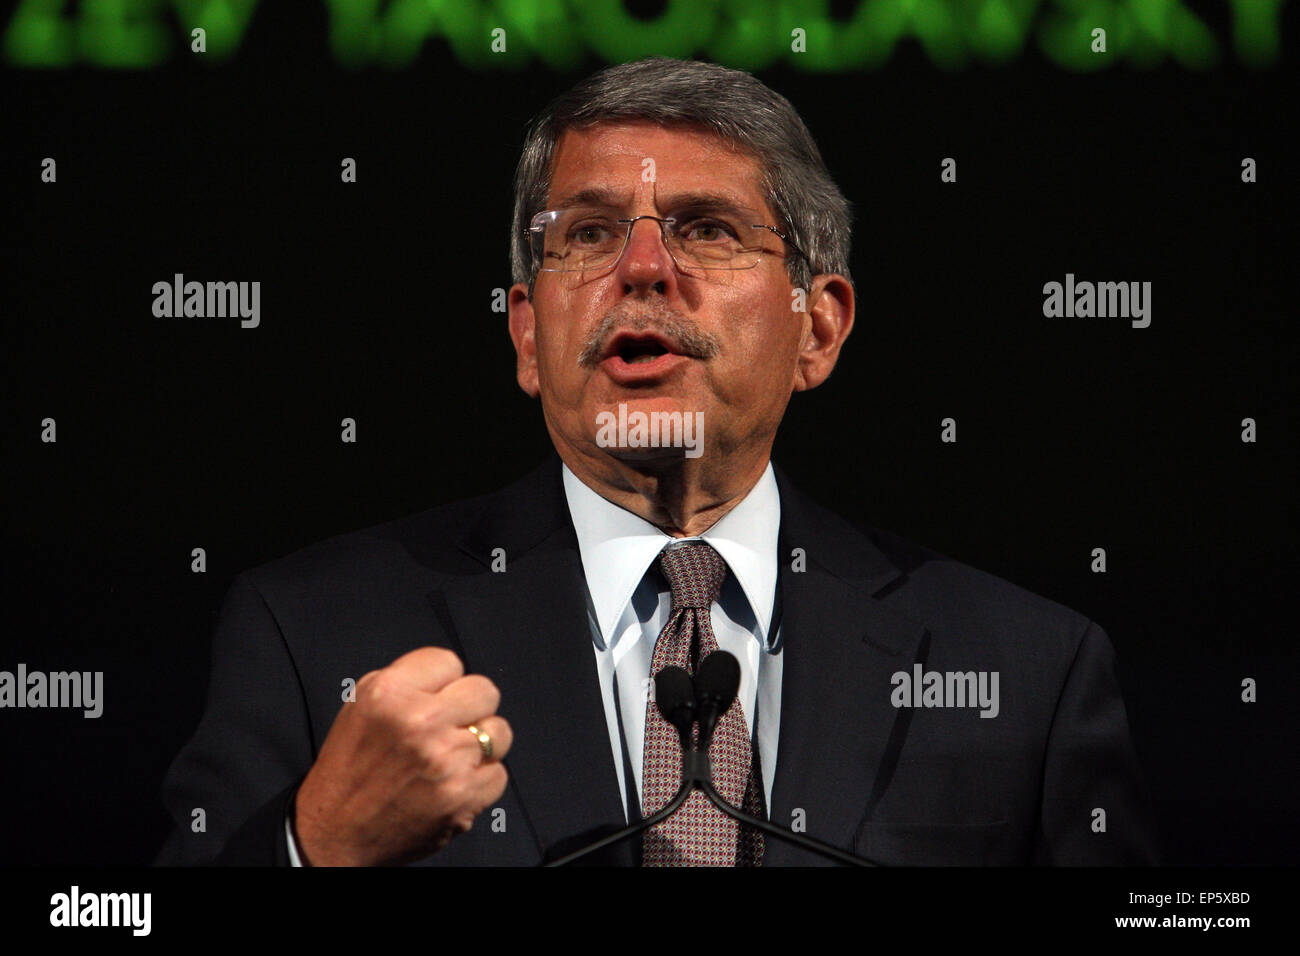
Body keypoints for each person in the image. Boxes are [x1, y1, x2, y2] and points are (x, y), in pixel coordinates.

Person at [155, 57, 1158, 867]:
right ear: (528, 336)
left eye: (706, 230)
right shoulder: (314, 631)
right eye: (587, 233)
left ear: (819, 328)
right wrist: (312, 849)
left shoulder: (1028, 668)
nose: (642, 269)